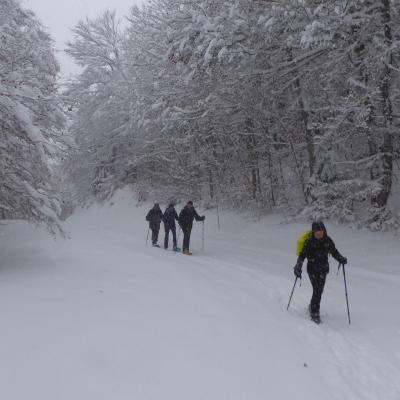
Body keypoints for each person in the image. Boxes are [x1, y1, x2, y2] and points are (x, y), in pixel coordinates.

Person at [294, 221, 347, 323]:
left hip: (323, 269)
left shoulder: (327, 241)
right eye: (317, 233)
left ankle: (312, 306)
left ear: (324, 231)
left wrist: (341, 258)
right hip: (312, 269)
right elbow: (302, 255)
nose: (319, 235)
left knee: (319, 291)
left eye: (321, 233)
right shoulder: (309, 242)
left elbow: (334, 252)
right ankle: (314, 312)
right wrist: (298, 266)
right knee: (317, 290)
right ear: (313, 233)